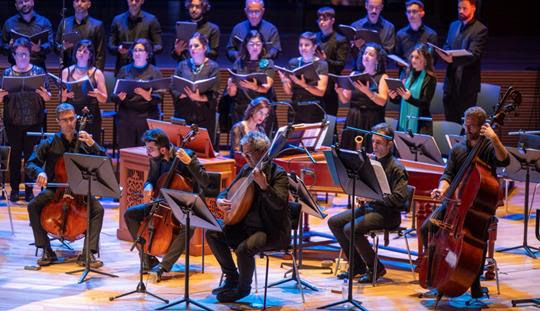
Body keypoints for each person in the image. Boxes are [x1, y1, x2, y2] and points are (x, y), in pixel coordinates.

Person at [420, 106, 509, 299]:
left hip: (478, 207)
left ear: (482, 126)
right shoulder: (458, 149)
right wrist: (442, 188)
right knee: (426, 228)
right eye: (465, 124)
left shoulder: (488, 148)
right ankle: (435, 272)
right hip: (454, 203)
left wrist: (495, 139)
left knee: (476, 242)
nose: (467, 129)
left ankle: (475, 285)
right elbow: (448, 174)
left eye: (473, 126)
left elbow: (504, 160)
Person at [206, 131, 290, 302]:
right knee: (212, 233)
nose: (244, 157)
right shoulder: (246, 169)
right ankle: (232, 278)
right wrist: (221, 199)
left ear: (262, 152)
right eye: (243, 153)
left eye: (248, 153)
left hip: (269, 230)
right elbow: (228, 191)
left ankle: (243, 289)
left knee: (244, 249)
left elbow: (280, 205)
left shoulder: (278, 174)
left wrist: (265, 186)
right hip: (244, 225)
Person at [25, 103, 106, 268]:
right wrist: (40, 172)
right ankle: (46, 249)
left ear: (76, 118)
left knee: (98, 209)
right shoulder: (49, 142)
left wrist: (93, 145)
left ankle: (88, 252)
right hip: (56, 190)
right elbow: (31, 163)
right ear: (58, 122)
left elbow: (104, 161)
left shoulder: (85, 141)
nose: (69, 123)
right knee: (33, 206)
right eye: (65, 120)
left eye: (72, 119)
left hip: (80, 192)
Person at [124, 128, 210, 280]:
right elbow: (152, 178)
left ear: (163, 149)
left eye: (150, 149)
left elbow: (205, 181)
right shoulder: (155, 159)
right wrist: (148, 185)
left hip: (187, 205)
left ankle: (164, 266)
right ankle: (147, 259)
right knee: (130, 214)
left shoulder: (187, 156)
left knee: (188, 226)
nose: (147, 152)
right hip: (162, 203)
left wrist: (190, 163)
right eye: (147, 148)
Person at [328, 123, 408, 283]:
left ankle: (376, 268)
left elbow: (400, 199)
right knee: (334, 222)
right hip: (372, 209)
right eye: (373, 142)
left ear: (390, 144)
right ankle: (357, 266)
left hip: (389, 214)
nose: (374, 146)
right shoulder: (370, 162)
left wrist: (374, 198)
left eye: (379, 143)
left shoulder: (397, 167)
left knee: (351, 229)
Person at [0, 37, 50, 202]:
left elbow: (48, 97)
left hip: (33, 120)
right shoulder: (7, 73)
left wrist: (43, 94)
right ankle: (15, 189)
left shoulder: (38, 71)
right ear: (13, 54)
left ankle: (29, 190)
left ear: (30, 55)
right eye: (19, 54)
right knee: (14, 156)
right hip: (13, 120)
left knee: (31, 157)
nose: (23, 57)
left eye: (26, 54)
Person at [437, 0, 488, 124]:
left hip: (467, 86)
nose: (460, 11)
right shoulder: (453, 25)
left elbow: (474, 54)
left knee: (466, 124)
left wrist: (452, 58)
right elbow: (447, 45)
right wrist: (445, 52)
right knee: (450, 123)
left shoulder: (480, 29)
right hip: (450, 84)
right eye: (459, 8)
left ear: (473, 8)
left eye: (464, 8)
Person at [336, 42, 389, 152]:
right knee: (350, 152)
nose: (366, 56)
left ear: (377, 59)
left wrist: (368, 91)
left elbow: (382, 101)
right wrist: (340, 91)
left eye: (371, 54)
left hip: (372, 119)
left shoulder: (382, 77)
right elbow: (345, 99)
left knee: (369, 153)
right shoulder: (354, 74)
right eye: (365, 53)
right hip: (354, 118)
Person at [112, 38, 164, 149]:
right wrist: (119, 97)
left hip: (147, 116)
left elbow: (159, 97)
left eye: (140, 50)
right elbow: (113, 96)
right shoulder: (124, 70)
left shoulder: (154, 71)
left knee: (145, 154)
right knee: (126, 152)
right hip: (126, 116)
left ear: (147, 53)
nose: (137, 53)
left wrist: (148, 96)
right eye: (135, 50)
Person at [171, 33, 220, 146]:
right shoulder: (182, 65)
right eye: (190, 46)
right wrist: (182, 94)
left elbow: (214, 93)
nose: (192, 48)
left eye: (196, 45)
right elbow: (173, 87)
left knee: (202, 152)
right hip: (184, 115)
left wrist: (199, 97)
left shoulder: (213, 67)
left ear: (204, 47)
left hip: (204, 117)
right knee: (181, 152)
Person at [226, 30, 276, 132]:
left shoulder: (268, 63)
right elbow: (232, 94)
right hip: (242, 108)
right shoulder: (239, 62)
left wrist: (255, 87)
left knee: (260, 143)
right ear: (246, 45)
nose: (255, 47)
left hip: (261, 109)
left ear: (262, 45)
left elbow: (267, 88)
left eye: (258, 44)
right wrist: (231, 87)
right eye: (251, 44)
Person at [61, 39, 108, 145]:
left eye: (85, 51)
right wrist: (64, 96)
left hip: (91, 113)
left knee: (90, 146)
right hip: (71, 113)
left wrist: (98, 94)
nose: (81, 53)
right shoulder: (66, 71)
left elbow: (104, 99)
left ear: (90, 55)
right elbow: (62, 100)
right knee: (71, 145)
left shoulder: (97, 73)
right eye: (79, 50)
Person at [278, 32, 329, 124]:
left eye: (307, 45)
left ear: (314, 47)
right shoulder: (293, 62)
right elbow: (288, 91)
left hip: (314, 109)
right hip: (295, 108)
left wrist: (303, 85)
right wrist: (284, 81)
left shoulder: (322, 64)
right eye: (301, 45)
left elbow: (321, 92)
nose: (303, 48)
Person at [388, 43, 436, 135]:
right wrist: (393, 97)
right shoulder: (407, 73)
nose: (413, 60)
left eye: (417, 57)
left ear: (425, 60)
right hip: (404, 119)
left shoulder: (430, 78)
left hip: (420, 124)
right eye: (412, 57)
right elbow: (401, 100)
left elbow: (425, 103)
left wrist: (409, 99)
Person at [108, 0, 163, 75]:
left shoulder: (152, 20)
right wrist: (118, 49)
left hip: (146, 71)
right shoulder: (117, 20)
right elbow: (110, 46)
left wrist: (145, 50)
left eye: (137, 0)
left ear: (142, 1)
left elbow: (159, 46)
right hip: (124, 70)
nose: (134, 3)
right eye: (131, 0)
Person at [315, 6, 349, 117]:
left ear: (332, 20)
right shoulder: (315, 37)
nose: (321, 22)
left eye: (325, 19)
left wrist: (325, 61)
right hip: (315, 84)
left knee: (329, 121)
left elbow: (340, 65)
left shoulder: (340, 40)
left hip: (331, 87)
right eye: (319, 19)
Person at [1, 0, 54, 70]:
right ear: (16, 6)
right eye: (20, 2)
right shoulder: (9, 23)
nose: (24, 4)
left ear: (33, 2)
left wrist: (39, 48)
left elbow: (51, 45)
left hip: (38, 66)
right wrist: (10, 47)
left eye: (26, 1)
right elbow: (2, 45)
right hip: (16, 67)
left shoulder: (44, 22)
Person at [55, 0, 106, 70]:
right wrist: (63, 47)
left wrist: (97, 73)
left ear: (89, 4)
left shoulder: (97, 25)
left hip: (89, 70)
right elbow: (56, 47)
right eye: (76, 1)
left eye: (83, 1)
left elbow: (100, 54)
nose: (79, 4)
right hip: (68, 70)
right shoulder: (64, 23)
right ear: (73, 4)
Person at [394, 0, 437, 78]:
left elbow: (433, 60)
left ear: (422, 13)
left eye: (414, 11)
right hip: (405, 76)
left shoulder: (431, 35)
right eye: (408, 12)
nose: (411, 15)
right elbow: (397, 58)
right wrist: (399, 62)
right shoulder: (400, 34)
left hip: (424, 76)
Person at [350, 0, 395, 64]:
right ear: (366, 6)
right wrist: (354, 46)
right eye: (371, 7)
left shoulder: (389, 27)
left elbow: (388, 56)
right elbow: (351, 55)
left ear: (381, 7)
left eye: (377, 8)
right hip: (359, 68)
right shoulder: (355, 26)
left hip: (379, 68)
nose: (374, 11)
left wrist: (363, 47)